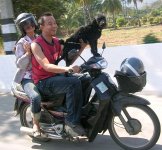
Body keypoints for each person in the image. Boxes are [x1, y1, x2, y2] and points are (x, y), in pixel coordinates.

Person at [31, 12, 86, 137]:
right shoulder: (36, 44)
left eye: (55, 23)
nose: (54, 25)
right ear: (42, 27)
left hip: (55, 77)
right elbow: (46, 66)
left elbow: (67, 62)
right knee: (73, 83)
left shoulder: (56, 42)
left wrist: (82, 48)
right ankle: (71, 122)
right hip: (43, 82)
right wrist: (68, 69)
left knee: (85, 79)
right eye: (49, 23)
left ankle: (79, 113)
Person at [13, 13, 48, 139]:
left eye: (29, 23)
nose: (28, 26)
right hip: (28, 77)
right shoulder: (21, 43)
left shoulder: (40, 38)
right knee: (35, 96)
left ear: (34, 24)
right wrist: (28, 53)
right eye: (24, 25)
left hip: (43, 74)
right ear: (22, 28)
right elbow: (19, 64)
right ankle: (35, 124)